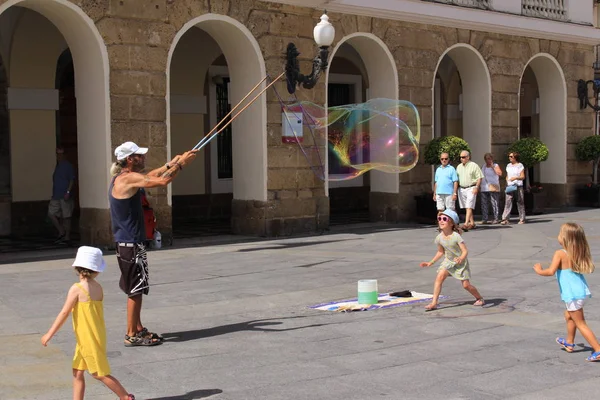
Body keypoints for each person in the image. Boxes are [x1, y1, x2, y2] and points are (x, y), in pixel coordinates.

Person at [109, 141, 197, 347]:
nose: (143, 157)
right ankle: (131, 334)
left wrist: (173, 162)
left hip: (128, 243)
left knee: (135, 287)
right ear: (129, 159)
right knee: (135, 289)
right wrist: (182, 165)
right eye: (139, 155)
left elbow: (154, 175)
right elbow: (162, 182)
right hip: (130, 244)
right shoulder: (127, 178)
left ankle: (137, 327)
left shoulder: (123, 177)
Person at [41, 246, 136, 400]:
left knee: (98, 373)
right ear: (96, 270)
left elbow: (64, 312)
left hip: (88, 339)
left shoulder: (77, 289)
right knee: (77, 371)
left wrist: (49, 334)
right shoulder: (98, 287)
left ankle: (125, 397)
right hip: (93, 335)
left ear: (77, 268)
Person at [533, 223, 600, 362]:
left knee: (580, 323)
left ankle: (598, 349)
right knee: (568, 315)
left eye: (560, 233)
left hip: (573, 294)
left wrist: (539, 270)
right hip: (581, 292)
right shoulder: (576, 252)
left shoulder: (560, 253)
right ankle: (569, 342)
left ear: (565, 238)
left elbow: (550, 271)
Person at [419, 209, 485, 311]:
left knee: (466, 285)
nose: (441, 221)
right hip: (448, 261)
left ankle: (479, 298)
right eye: (439, 218)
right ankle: (434, 303)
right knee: (439, 278)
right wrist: (430, 262)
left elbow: (465, 251)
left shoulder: (456, 236)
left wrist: (461, 258)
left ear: (451, 223)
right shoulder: (439, 237)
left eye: (444, 219)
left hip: (460, 263)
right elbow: (440, 252)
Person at [48, 147, 75, 244]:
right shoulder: (57, 165)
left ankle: (66, 237)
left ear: (64, 155)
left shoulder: (68, 166)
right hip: (56, 195)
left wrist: (68, 192)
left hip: (65, 195)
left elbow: (71, 180)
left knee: (66, 217)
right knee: (51, 213)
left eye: (61, 154)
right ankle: (61, 231)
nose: (59, 156)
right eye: (57, 154)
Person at [455, 150, 483, 230]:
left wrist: (476, 187)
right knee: (467, 207)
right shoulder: (459, 166)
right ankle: (472, 223)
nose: (461, 159)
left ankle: (466, 223)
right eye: (460, 157)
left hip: (471, 187)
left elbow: (479, 177)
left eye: (463, 157)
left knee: (469, 205)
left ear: (468, 157)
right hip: (462, 188)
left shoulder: (474, 165)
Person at [500, 151, 526, 225]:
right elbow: (508, 175)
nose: (509, 158)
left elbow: (522, 176)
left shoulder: (520, 165)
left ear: (515, 157)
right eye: (509, 156)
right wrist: (507, 180)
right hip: (510, 186)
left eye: (511, 156)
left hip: (518, 186)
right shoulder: (508, 165)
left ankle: (522, 219)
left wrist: (515, 178)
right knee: (508, 202)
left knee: (520, 202)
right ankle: (505, 218)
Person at [480, 153, 502, 224]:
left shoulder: (495, 165)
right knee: (484, 204)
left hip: (493, 187)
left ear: (492, 159)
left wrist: (493, 167)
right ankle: (485, 218)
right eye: (486, 159)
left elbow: (500, 173)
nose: (487, 160)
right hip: (484, 187)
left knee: (494, 203)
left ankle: (496, 218)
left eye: (489, 158)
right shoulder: (484, 166)